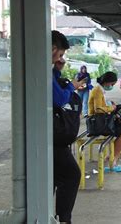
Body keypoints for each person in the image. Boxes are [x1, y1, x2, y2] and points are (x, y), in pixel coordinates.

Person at [51, 30, 85, 223]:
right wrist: (71, 86)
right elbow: (58, 98)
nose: (61, 58)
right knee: (72, 174)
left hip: (49, 135)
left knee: (55, 176)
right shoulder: (42, 68)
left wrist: (57, 70)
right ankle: (63, 219)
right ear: (53, 48)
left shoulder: (47, 70)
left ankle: (54, 216)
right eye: (61, 54)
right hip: (49, 136)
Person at [88, 72, 121, 170]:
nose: (112, 86)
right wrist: (112, 108)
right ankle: (113, 158)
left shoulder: (99, 89)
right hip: (97, 122)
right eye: (112, 84)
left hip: (101, 120)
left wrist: (109, 105)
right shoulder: (98, 91)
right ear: (106, 82)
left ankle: (112, 155)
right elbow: (98, 109)